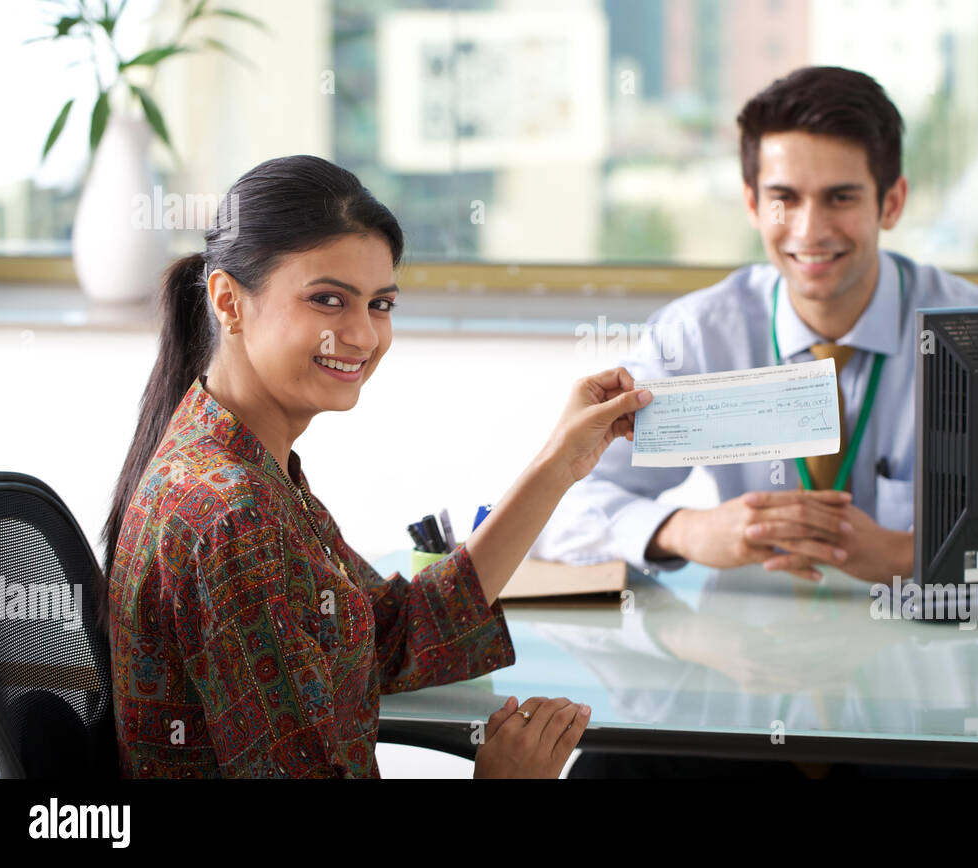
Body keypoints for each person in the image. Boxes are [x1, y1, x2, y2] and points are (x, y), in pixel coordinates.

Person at [102, 155, 652, 778]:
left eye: (380, 304)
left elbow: (392, 632)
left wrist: (560, 463)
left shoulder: (236, 462)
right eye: (328, 299)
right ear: (229, 301)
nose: (362, 336)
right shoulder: (235, 516)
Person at [530, 66, 978, 585]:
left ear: (891, 203)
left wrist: (906, 555)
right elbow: (553, 511)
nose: (810, 231)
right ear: (752, 205)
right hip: (753, 648)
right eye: (785, 199)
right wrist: (684, 530)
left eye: (840, 198)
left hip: (928, 649)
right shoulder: (699, 336)